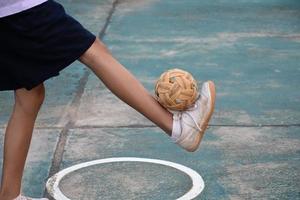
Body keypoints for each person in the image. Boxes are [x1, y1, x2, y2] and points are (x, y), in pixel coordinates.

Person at [0, 0, 216, 199]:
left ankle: (9, 195)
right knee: (94, 52)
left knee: (29, 95)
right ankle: (178, 128)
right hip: (19, 8)